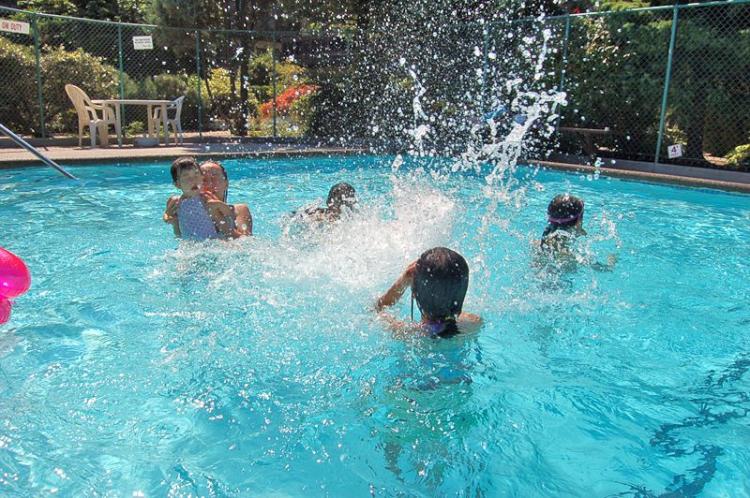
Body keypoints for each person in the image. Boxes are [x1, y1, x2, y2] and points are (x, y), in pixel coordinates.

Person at [375, 247, 482, 337]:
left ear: (415, 293)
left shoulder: (410, 334)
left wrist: (404, 279)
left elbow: (378, 308)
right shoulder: (474, 323)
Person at [536, 194, 616, 271]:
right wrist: (611, 262)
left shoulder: (538, 243)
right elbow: (604, 268)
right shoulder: (571, 256)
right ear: (578, 222)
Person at [163, 156, 233, 240]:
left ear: (201, 178)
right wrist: (168, 218)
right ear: (177, 184)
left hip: (211, 240)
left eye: (196, 175)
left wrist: (218, 205)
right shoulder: (176, 201)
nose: (193, 180)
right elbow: (167, 214)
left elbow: (228, 213)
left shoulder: (205, 197)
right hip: (188, 243)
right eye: (187, 177)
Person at [199, 160, 252, 237]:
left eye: (214, 177)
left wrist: (216, 215)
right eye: (204, 180)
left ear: (226, 183)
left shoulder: (238, 211)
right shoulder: (192, 212)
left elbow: (246, 242)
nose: (210, 183)